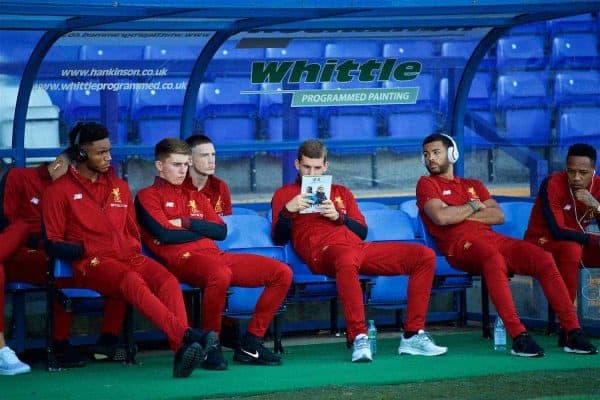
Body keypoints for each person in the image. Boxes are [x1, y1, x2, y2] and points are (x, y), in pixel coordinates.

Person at [42, 122, 214, 378]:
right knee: (131, 280)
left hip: (128, 257)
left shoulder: (120, 188)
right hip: (92, 263)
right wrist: (87, 249)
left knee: (166, 280)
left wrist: (130, 247)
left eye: (109, 150)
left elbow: (132, 230)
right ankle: (186, 335)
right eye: (100, 152)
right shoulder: (58, 192)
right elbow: (52, 242)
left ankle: (181, 350)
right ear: (81, 154)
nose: (108, 157)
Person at [416, 132, 597, 357]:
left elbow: (498, 215)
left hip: (493, 239)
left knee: (542, 258)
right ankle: (519, 335)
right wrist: (474, 207)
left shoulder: (473, 185)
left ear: (452, 154)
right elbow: (441, 218)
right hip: (460, 246)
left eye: (436, 152)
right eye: (426, 154)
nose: (430, 158)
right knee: (493, 258)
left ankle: (572, 331)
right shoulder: (426, 184)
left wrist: (457, 213)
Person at [271, 139, 447, 363]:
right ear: (297, 164)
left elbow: (362, 231)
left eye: (317, 168)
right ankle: (359, 337)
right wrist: (289, 210)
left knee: (423, 255)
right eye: (306, 167)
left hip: (357, 249)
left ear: (325, 166)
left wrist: (338, 217)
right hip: (323, 253)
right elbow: (278, 237)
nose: (312, 173)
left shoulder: (341, 192)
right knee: (346, 258)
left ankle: (413, 334)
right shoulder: (285, 194)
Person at [136, 138, 292, 369]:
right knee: (219, 274)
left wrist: (185, 222)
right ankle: (212, 345)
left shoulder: (195, 196)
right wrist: (200, 230)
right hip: (182, 260)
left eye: (185, 165)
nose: (182, 170)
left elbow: (220, 231)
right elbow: (165, 235)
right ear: (160, 166)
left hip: (215, 255)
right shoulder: (146, 196)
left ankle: (251, 343)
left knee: (282, 272)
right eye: (176, 164)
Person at [0, 150, 126, 373]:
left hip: (59, 250)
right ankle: (58, 343)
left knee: (116, 264)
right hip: (21, 250)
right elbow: (7, 221)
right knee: (56, 267)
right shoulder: (20, 177)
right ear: (59, 164)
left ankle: (106, 340)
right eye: (73, 172)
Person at [525, 143, 600, 344]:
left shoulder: (598, 186)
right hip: (540, 241)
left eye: (583, 173)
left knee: (573, 248)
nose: (576, 178)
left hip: (576, 242)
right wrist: (594, 240)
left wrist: (597, 206)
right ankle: (569, 328)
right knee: (571, 249)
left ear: (594, 171)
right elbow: (557, 231)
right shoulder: (552, 183)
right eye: (571, 171)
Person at [184, 134, 239, 350]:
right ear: (189, 159)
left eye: (213, 155)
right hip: (188, 251)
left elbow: (226, 225)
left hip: (217, 248)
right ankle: (191, 335)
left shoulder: (220, 187)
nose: (211, 160)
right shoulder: (180, 187)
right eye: (205, 155)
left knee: (229, 269)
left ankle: (229, 327)